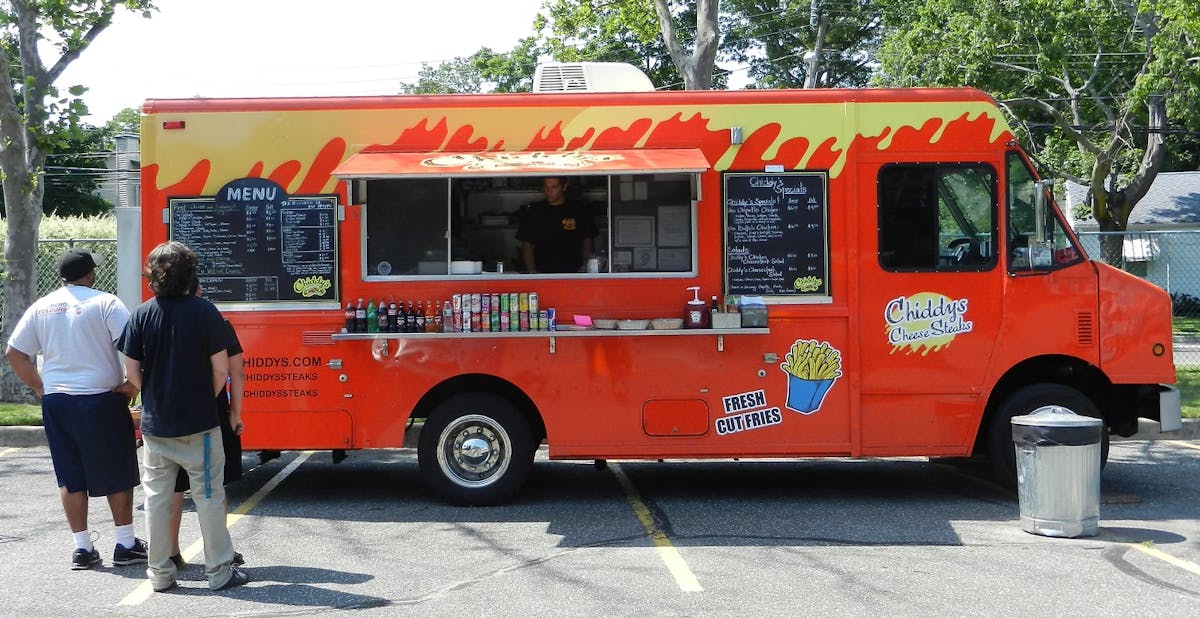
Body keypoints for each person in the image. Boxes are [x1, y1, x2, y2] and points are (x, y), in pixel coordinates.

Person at [4, 248, 147, 570]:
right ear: (90, 274)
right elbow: (133, 346)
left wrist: (40, 387)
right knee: (116, 470)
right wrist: (133, 384)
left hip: (57, 400)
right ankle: (125, 543)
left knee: (69, 475)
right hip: (100, 397)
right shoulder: (105, 302)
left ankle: (82, 547)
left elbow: (14, 352)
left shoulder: (41, 307)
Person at [117, 241, 248, 592]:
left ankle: (160, 574)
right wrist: (202, 398)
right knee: (208, 496)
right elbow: (221, 370)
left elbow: (131, 373)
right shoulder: (206, 312)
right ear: (191, 274)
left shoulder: (141, 314)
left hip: (156, 427)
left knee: (157, 500)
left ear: (153, 276)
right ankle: (219, 571)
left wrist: (157, 396)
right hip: (200, 426)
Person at [167, 284, 245, 570]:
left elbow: (135, 367)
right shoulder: (216, 323)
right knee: (213, 488)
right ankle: (220, 553)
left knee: (172, 490)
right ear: (199, 291)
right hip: (210, 415)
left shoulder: (153, 319)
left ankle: (170, 553)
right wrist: (235, 412)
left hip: (166, 417)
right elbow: (233, 371)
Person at [516, 177, 597, 273]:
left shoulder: (578, 210)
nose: (549, 191)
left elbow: (587, 239)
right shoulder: (535, 211)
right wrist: (532, 272)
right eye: (546, 187)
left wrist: (585, 267)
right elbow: (527, 244)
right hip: (542, 271)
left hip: (574, 271)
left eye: (554, 187)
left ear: (564, 187)